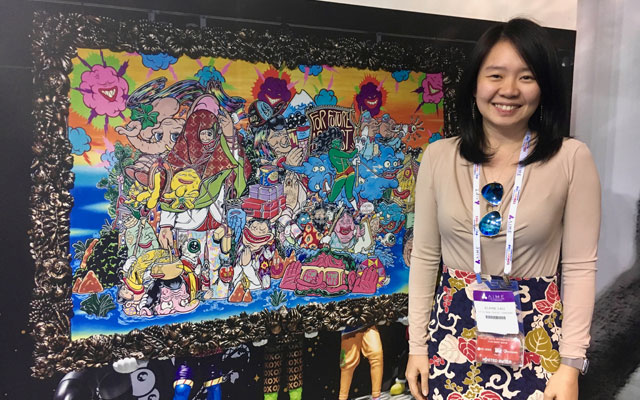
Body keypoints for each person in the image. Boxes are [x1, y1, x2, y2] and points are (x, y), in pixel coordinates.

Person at [406, 19, 600, 400]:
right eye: (495, 75)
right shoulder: (439, 157)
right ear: (475, 82)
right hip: (451, 338)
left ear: (544, 86)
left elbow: (580, 268)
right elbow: (425, 257)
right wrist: (416, 346)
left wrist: (571, 364)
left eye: (526, 77)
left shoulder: (572, 159)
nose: (509, 90)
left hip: (538, 340)